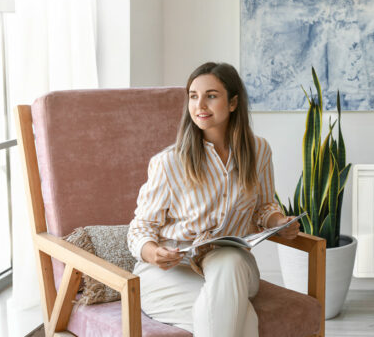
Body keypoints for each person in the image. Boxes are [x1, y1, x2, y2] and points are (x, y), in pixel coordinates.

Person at [127, 62, 300, 337]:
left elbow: (265, 206)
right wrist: (153, 252)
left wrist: (280, 222)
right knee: (241, 318)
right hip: (171, 272)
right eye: (193, 96)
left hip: (234, 266)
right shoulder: (169, 162)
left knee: (228, 261)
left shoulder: (259, 151)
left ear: (233, 102)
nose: (200, 105)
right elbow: (140, 228)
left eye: (211, 95)